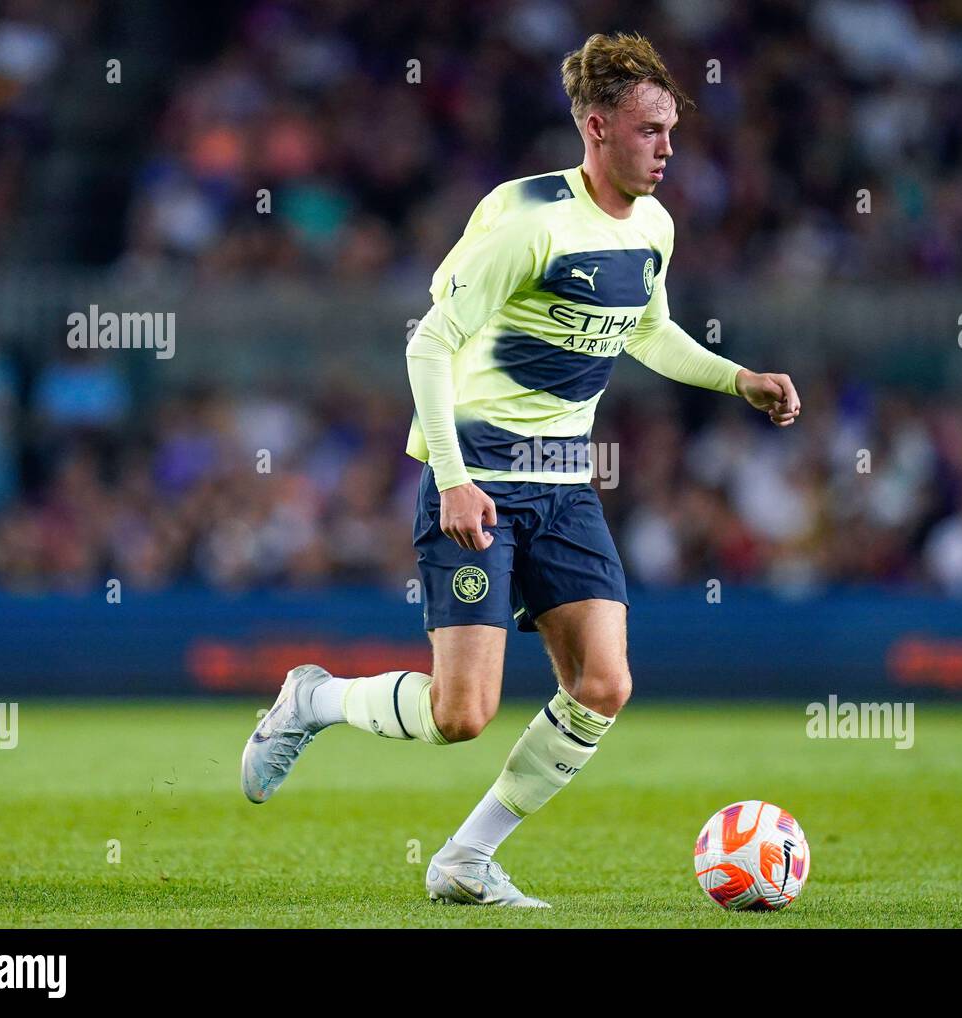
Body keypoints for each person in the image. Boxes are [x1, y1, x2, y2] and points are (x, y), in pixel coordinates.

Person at [241, 31, 800, 907]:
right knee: (460, 715)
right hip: (481, 478)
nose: (667, 149)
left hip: (565, 484)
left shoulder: (654, 226)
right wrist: (456, 477)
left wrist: (739, 378)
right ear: (596, 127)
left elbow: (645, 330)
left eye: (671, 132)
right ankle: (311, 700)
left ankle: (464, 859)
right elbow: (429, 345)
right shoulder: (529, 222)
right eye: (651, 130)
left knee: (604, 683)